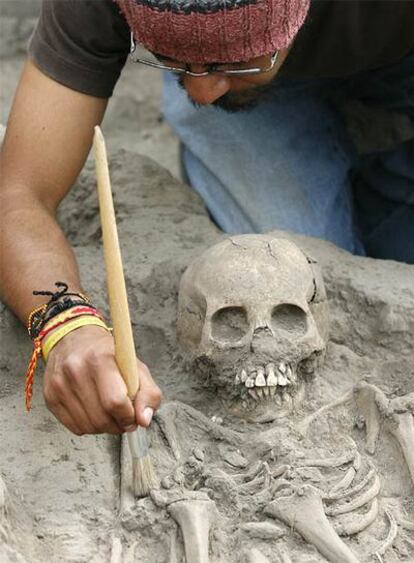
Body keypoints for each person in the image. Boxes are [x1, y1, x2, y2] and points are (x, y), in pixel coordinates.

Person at [0, 0, 413, 436]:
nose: (200, 94)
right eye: (170, 60)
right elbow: (17, 194)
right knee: (288, 269)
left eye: (232, 60)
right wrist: (66, 324)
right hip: (271, 99)